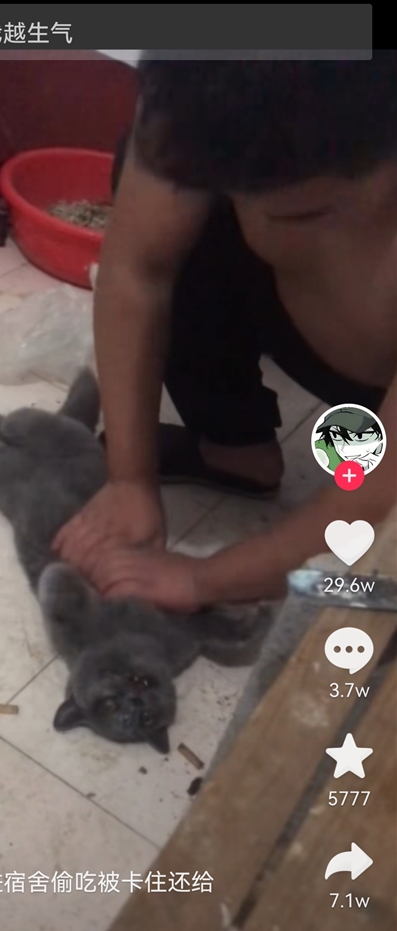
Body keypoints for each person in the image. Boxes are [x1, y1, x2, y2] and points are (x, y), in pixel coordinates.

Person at [53, 56, 397, 612]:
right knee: (171, 183)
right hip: (302, 315)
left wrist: (202, 580)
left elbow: (382, 499)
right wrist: (129, 481)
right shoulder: (202, 73)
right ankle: (235, 448)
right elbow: (137, 271)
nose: (265, 214)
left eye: (305, 213)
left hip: (376, 360)